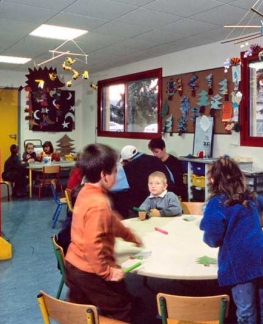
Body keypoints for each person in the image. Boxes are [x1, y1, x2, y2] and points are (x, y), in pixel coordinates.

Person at [64, 143, 142, 322]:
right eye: (115, 171)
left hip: (74, 264)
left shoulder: (86, 191)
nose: (117, 174)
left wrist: (129, 236)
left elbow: (111, 220)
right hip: (89, 270)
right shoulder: (98, 204)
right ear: (104, 175)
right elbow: (93, 244)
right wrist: (107, 273)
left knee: (81, 311)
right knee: (123, 308)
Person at [200, 157, 263, 324]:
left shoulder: (217, 203)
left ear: (214, 180)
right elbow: (261, 205)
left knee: (246, 312)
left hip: (242, 261)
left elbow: (212, 238)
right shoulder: (250, 197)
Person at [112, 145, 175, 218]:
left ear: (128, 160)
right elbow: (171, 178)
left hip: (143, 208)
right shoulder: (156, 159)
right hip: (166, 203)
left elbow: (113, 186)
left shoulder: (128, 168)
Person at [148, 137, 188, 201]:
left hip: (174, 194)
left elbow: (178, 183)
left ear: (163, 149)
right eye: (153, 152)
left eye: (156, 152)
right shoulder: (155, 162)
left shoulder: (175, 163)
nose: (154, 155)